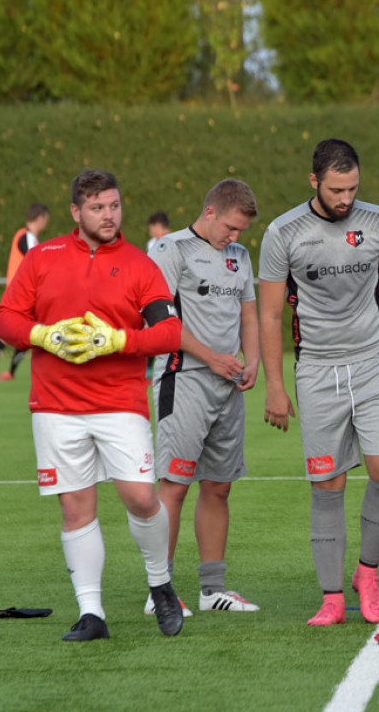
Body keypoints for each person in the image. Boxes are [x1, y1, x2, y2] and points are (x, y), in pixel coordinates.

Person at [258, 138, 379, 626]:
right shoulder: (283, 232)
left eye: (353, 188)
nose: (346, 199)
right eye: (336, 190)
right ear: (314, 182)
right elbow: (269, 315)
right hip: (317, 368)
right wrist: (275, 386)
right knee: (328, 482)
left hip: (375, 361)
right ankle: (331, 598)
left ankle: (367, 574)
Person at [0, 169, 185, 642]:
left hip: (120, 402)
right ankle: (91, 614)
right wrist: (42, 334)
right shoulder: (42, 258)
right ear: (76, 212)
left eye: (114, 205)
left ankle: (160, 582)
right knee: (76, 509)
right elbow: (5, 319)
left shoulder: (140, 264)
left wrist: (119, 340)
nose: (109, 215)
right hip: (55, 406)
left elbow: (169, 332)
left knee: (141, 497)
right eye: (97, 208)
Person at [146, 179, 261, 617]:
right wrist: (212, 358)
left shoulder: (240, 255)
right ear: (209, 212)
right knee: (174, 486)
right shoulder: (170, 250)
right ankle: (159, 590)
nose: (234, 236)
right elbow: (162, 322)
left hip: (227, 384)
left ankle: (213, 590)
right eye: (230, 227)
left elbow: (248, 315)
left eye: (241, 230)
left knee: (218, 486)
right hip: (185, 379)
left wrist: (253, 360)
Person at [0, 203, 50, 391]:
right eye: (46, 219)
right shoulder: (26, 236)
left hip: (24, 296)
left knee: (26, 334)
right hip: (20, 297)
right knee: (8, 337)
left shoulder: (28, 237)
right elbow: (36, 263)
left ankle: (6, 373)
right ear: (41, 218)